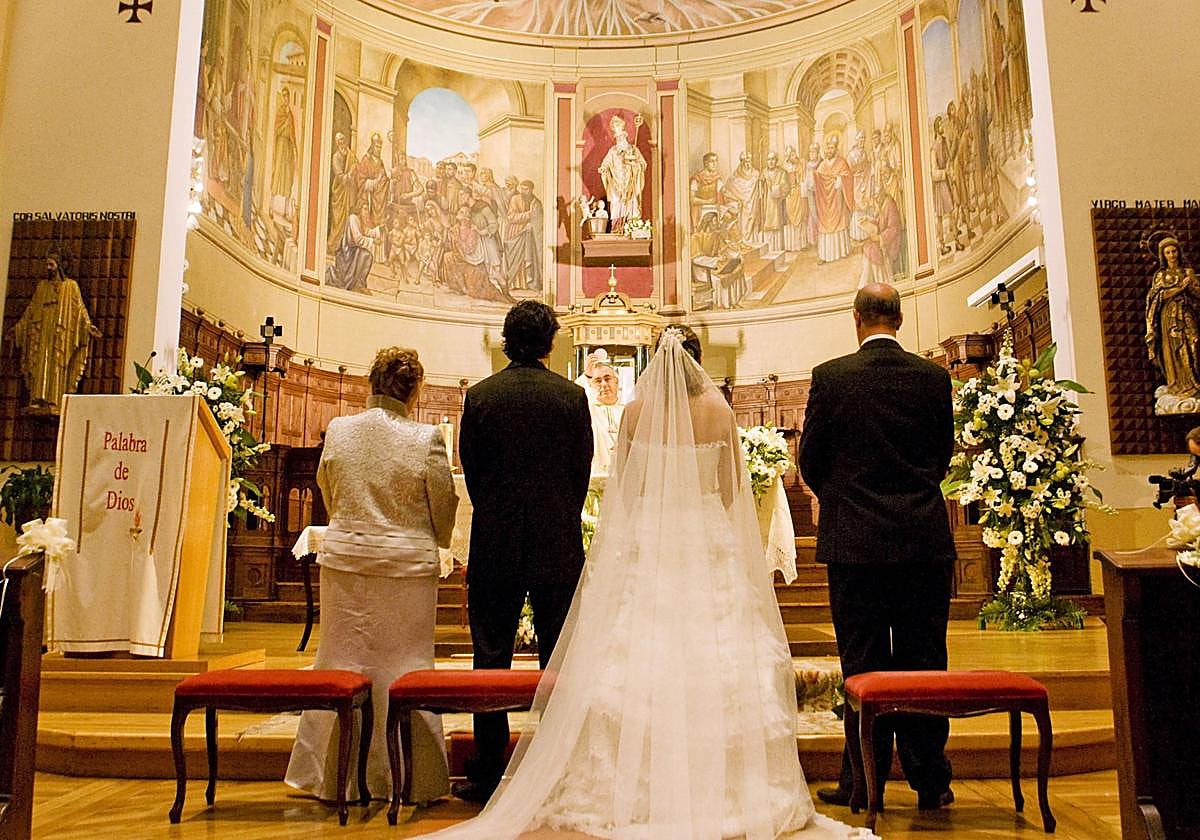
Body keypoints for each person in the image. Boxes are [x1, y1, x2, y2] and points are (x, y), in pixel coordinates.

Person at [421, 325, 875, 840]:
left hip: (639, 539)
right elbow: (729, 490)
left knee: (613, 653)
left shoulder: (634, 413)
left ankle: (581, 775)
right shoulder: (720, 412)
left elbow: (625, 489)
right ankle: (720, 781)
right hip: (704, 542)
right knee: (710, 652)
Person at [799, 283, 955, 813]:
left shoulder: (831, 377)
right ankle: (931, 779)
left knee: (860, 661)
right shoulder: (934, 377)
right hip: (923, 538)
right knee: (925, 658)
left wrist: (845, 500)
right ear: (900, 320)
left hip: (854, 541)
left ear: (857, 319)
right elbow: (942, 456)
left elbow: (811, 461)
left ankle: (863, 781)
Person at [286, 346, 458, 804]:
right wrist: (436, 538)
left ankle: (331, 776)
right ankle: (411, 778)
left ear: (371, 384)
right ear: (416, 390)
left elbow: (328, 489)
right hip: (405, 568)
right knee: (406, 669)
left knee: (339, 660)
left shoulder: (340, 430)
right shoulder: (426, 439)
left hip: (346, 564)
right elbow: (442, 508)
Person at [454, 301, 594, 803]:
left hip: (495, 539)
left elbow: (473, 472)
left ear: (506, 341)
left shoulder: (482, 398)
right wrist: (558, 516)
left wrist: (497, 513)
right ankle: (561, 767)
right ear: (551, 344)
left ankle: (489, 768)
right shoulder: (572, 397)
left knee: (490, 654)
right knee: (561, 657)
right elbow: (581, 472)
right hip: (557, 541)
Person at [11, 250, 100, 415]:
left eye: (51, 264)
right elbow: (31, 311)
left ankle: (55, 398)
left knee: (57, 363)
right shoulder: (42, 286)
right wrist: (18, 328)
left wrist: (87, 325)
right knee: (40, 361)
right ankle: (37, 398)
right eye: (47, 264)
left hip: (61, 331)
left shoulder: (70, 286)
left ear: (59, 266)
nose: (48, 268)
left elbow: (79, 308)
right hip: (43, 328)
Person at [1145, 237, 1200, 400]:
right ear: (1163, 255)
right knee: (1172, 349)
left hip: (1186, 312)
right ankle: (1177, 384)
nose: (1172, 255)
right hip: (1168, 316)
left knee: (1194, 343)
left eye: (1174, 251)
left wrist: (1192, 284)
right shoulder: (1161, 275)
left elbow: (1198, 294)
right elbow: (1158, 297)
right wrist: (1181, 287)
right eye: (1167, 252)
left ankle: (1194, 381)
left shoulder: (1187, 272)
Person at [598, 113, 647, 228]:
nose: (619, 140)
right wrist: (603, 169)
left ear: (625, 137)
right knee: (615, 202)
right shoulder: (613, 151)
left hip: (630, 183)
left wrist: (635, 165)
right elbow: (605, 163)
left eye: (621, 137)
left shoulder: (633, 149)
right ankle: (617, 226)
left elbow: (643, 164)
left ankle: (632, 225)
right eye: (617, 138)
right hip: (616, 183)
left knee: (632, 202)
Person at [586, 361, 624, 474]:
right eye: (598, 381)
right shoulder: (588, 411)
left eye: (607, 379)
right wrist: (587, 376)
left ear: (616, 382)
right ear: (591, 385)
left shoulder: (628, 411)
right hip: (596, 473)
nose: (603, 384)